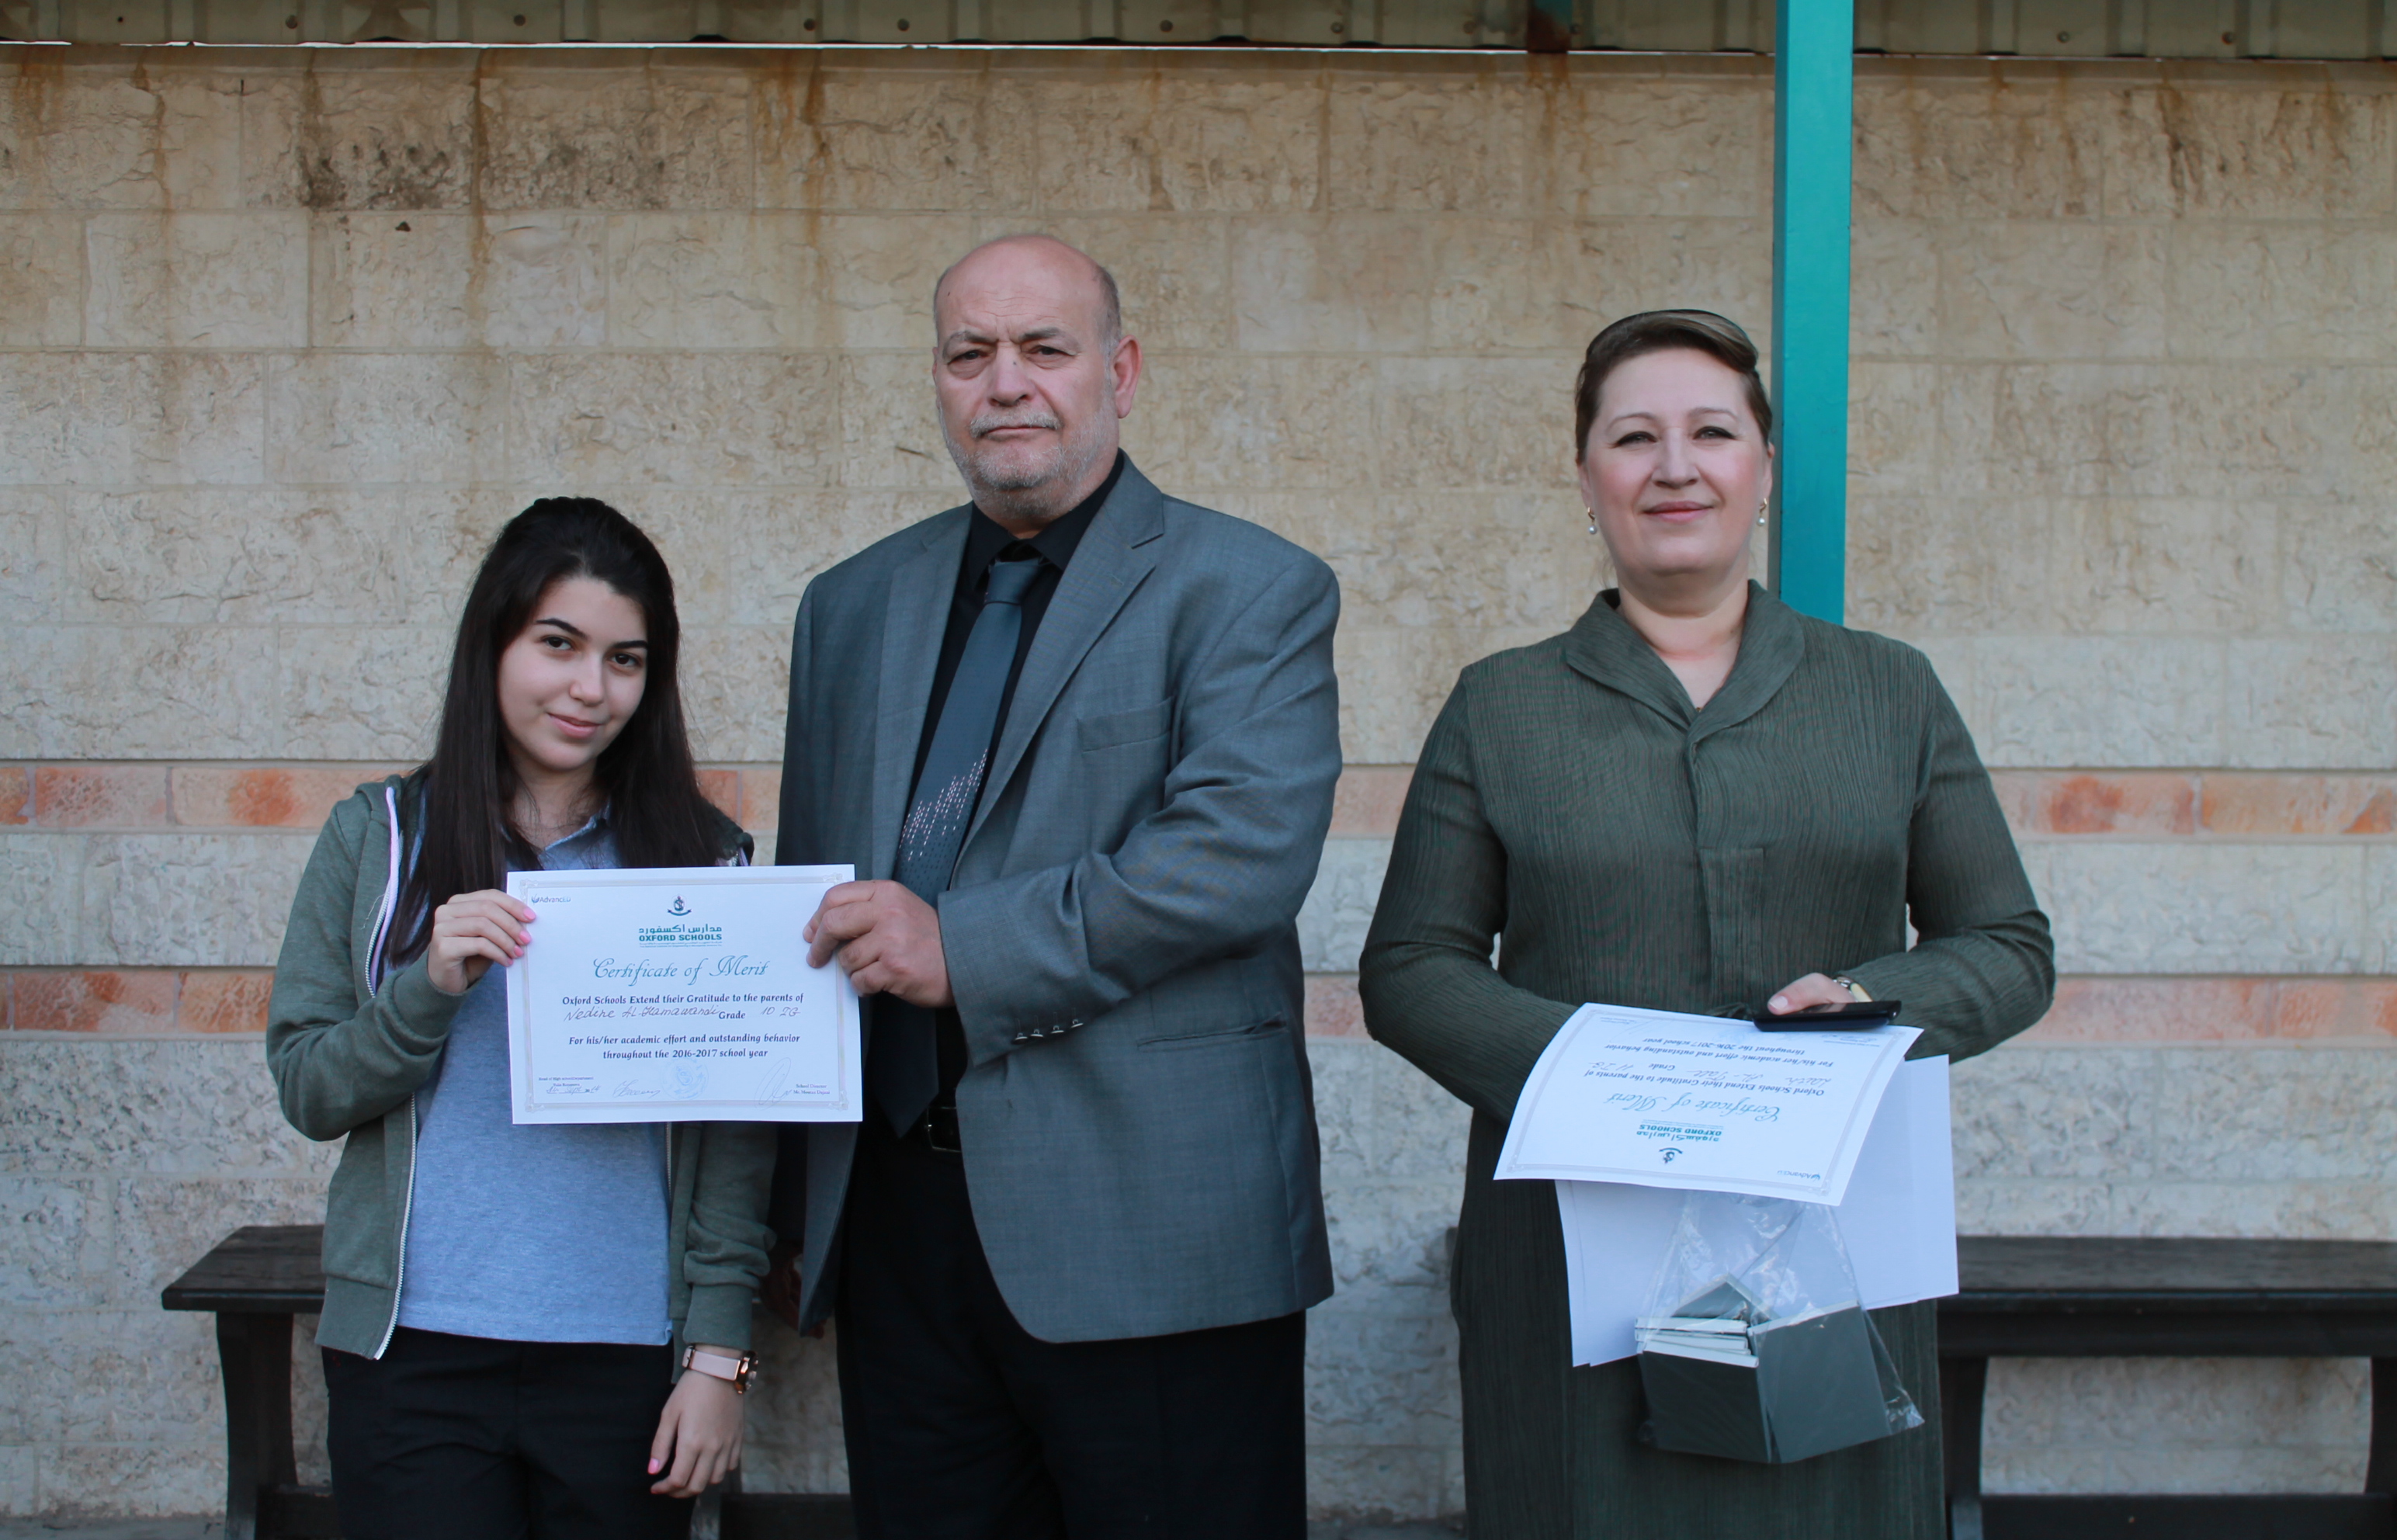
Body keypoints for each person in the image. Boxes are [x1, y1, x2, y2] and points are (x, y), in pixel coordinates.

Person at [1357, 310, 2054, 1539]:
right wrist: (1600, 1080)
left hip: (1831, 1239)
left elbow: (2007, 944)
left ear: (1764, 468)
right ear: (1588, 478)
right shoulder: (1501, 706)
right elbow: (1411, 967)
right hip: (1572, 1240)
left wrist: (1871, 1006)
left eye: (1712, 433)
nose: (1674, 467)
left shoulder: (1888, 689)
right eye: (1634, 438)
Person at [761, 232, 1342, 1537]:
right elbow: (815, 893)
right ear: (938, 380)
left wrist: (959, 947)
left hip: (1155, 1226)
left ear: (1119, 372)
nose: (1005, 382)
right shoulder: (848, 607)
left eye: (1044, 348)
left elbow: (1235, 858)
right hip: (898, 1228)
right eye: (970, 353)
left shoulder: (1251, 589)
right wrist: (795, 1202)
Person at [266, 498, 778, 1540]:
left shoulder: (703, 864)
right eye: (558, 644)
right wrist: (425, 990)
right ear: (493, 643)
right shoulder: (378, 838)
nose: (591, 688)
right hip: (411, 1353)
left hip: (625, 1359)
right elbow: (310, 1089)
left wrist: (719, 1357)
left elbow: (734, 1135)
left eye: (625, 660)